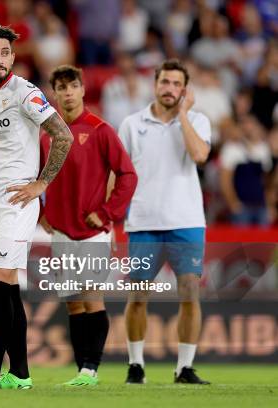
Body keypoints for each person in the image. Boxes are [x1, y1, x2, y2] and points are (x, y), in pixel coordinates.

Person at [0, 24, 74, 390]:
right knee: (6, 287)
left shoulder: (26, 93)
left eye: (5, 53)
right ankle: (21, 374)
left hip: (16, 201)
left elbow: (63, 135)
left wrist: (41, 183)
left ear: (13, 56)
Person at [39, 65, 137, 387]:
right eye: (61, 87)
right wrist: (41, 209)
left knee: (92, 297)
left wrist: (108, 212)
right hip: (61, 230)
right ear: (53, 93)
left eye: (72, 86)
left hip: (93, 230)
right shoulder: (47, 135)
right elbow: (38, 177)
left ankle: (90, 369)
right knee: (72, 302)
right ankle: (81, 370)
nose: (67, 92)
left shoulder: (100, 129)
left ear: (82, 90)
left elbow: (127, 174)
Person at [118, 59, 212, 385]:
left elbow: (199, 155)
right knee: (138, 295)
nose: (169, 89)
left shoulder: (198, 120)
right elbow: (119, 173)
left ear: (184, 90)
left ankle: (184, 367)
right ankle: (136, 364)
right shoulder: (131, 123)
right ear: (155, 84)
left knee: (189, 293)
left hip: (185, 220)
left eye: (176, 84)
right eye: (165, 82)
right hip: (143, 220)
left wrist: (183, 115)